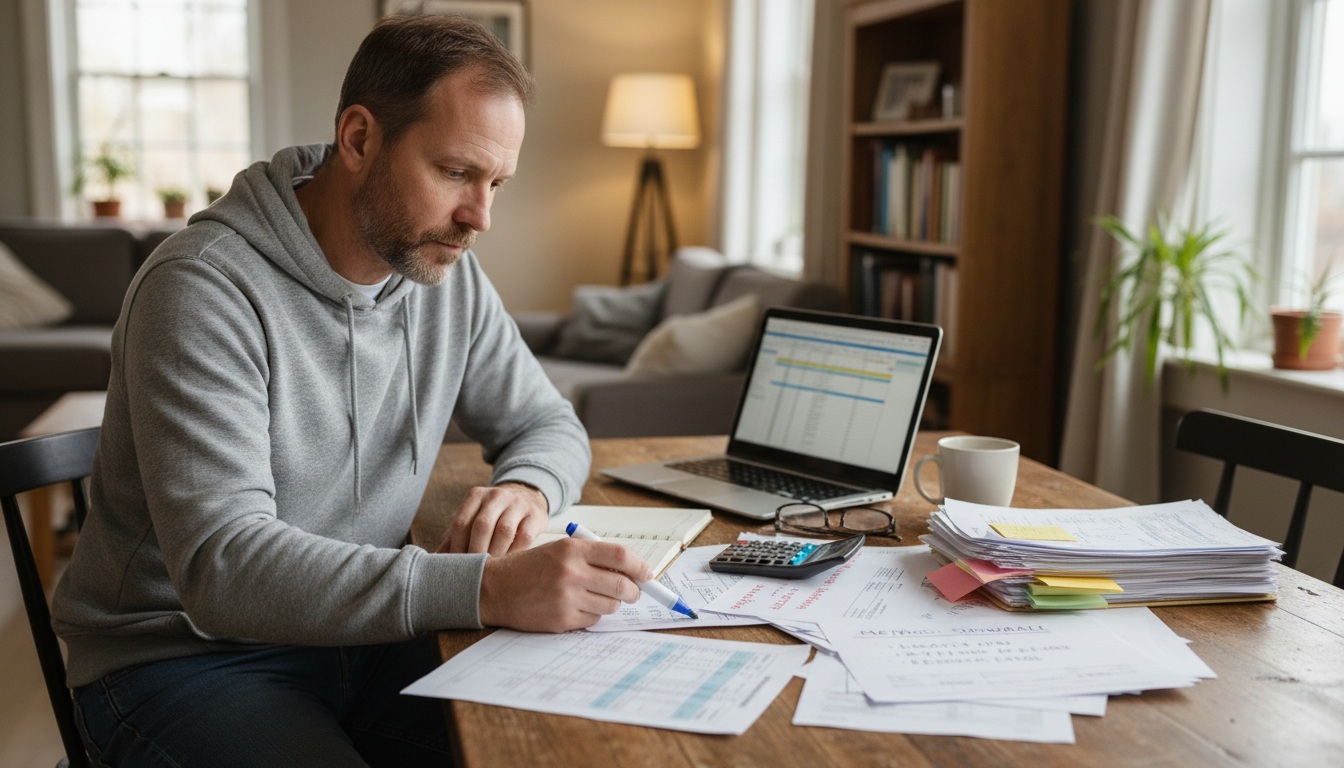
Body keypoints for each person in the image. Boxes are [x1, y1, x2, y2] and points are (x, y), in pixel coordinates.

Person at [52, 14, 651, 767]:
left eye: (497, 182)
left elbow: (547, 423)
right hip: (184, 660)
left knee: (574, 745)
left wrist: (526, 489)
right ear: (360, 139)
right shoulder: (201, 289)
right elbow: (223, 568)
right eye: (457, 172)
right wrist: (486, 589)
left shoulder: (441, 273)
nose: (481, 217)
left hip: (363, 642)